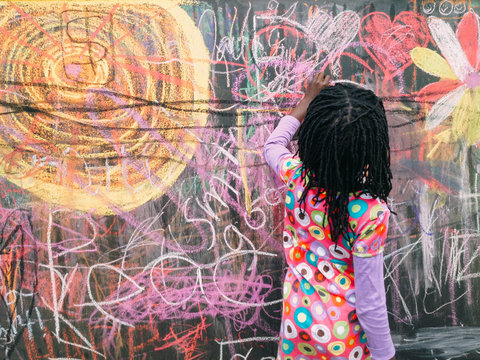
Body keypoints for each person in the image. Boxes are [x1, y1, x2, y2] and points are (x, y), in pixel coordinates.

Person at [263, 72, 396, 360]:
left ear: (314, 138)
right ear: (370, 148)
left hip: (298, 323)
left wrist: (307, 100)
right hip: (345, 339)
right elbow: (370, 302)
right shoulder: (371, 213)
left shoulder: (297, 178)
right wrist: (386, 355)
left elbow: (273, 146)